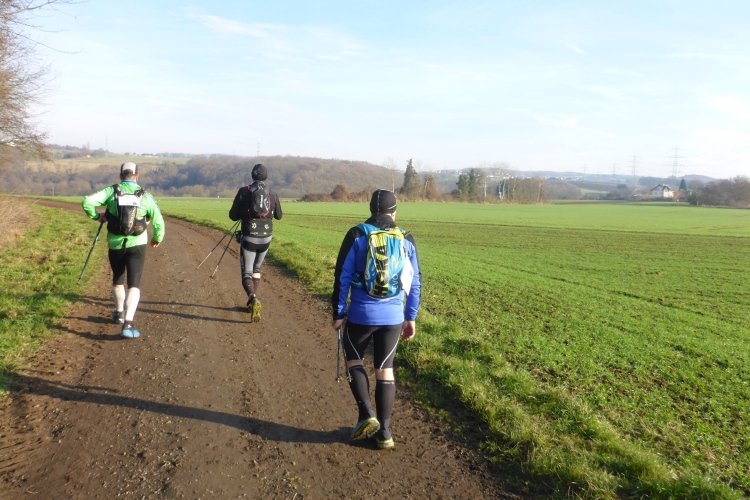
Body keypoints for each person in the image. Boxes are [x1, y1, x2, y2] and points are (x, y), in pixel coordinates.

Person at [331, 189, 421, 450]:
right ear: (394, 211)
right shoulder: (406, 238)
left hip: (361, 314)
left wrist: (338, 313)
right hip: (393, 317)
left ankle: (366, 414)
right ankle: (385, 432)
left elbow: (342, 276)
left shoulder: (357, 235)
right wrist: (410, 317)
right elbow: (415, 282)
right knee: (385, 369)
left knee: (354, 360)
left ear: (371, 209)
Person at [81, 162, 165, 338]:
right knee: (134, 283)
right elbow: (158, 221)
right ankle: (128, 322)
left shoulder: (111, 191)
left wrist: (96, 216)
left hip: (115, 244)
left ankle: (118, 312)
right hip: (137, 244)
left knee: (118, 280)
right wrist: (157, 238)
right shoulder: (146, 196)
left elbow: (87, 202)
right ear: (137, 176)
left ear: (120, 176)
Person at [229, 163, 283, 322]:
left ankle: (253, 298)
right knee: (257, 268)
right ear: (266, 177)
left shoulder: (244, 191)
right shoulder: (272, 193)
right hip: (266, 237)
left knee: (247, 272)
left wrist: (243, 212)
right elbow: (279, 216)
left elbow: (232, 216)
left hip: (249, 237)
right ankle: (253, 299)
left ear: (252, 176)